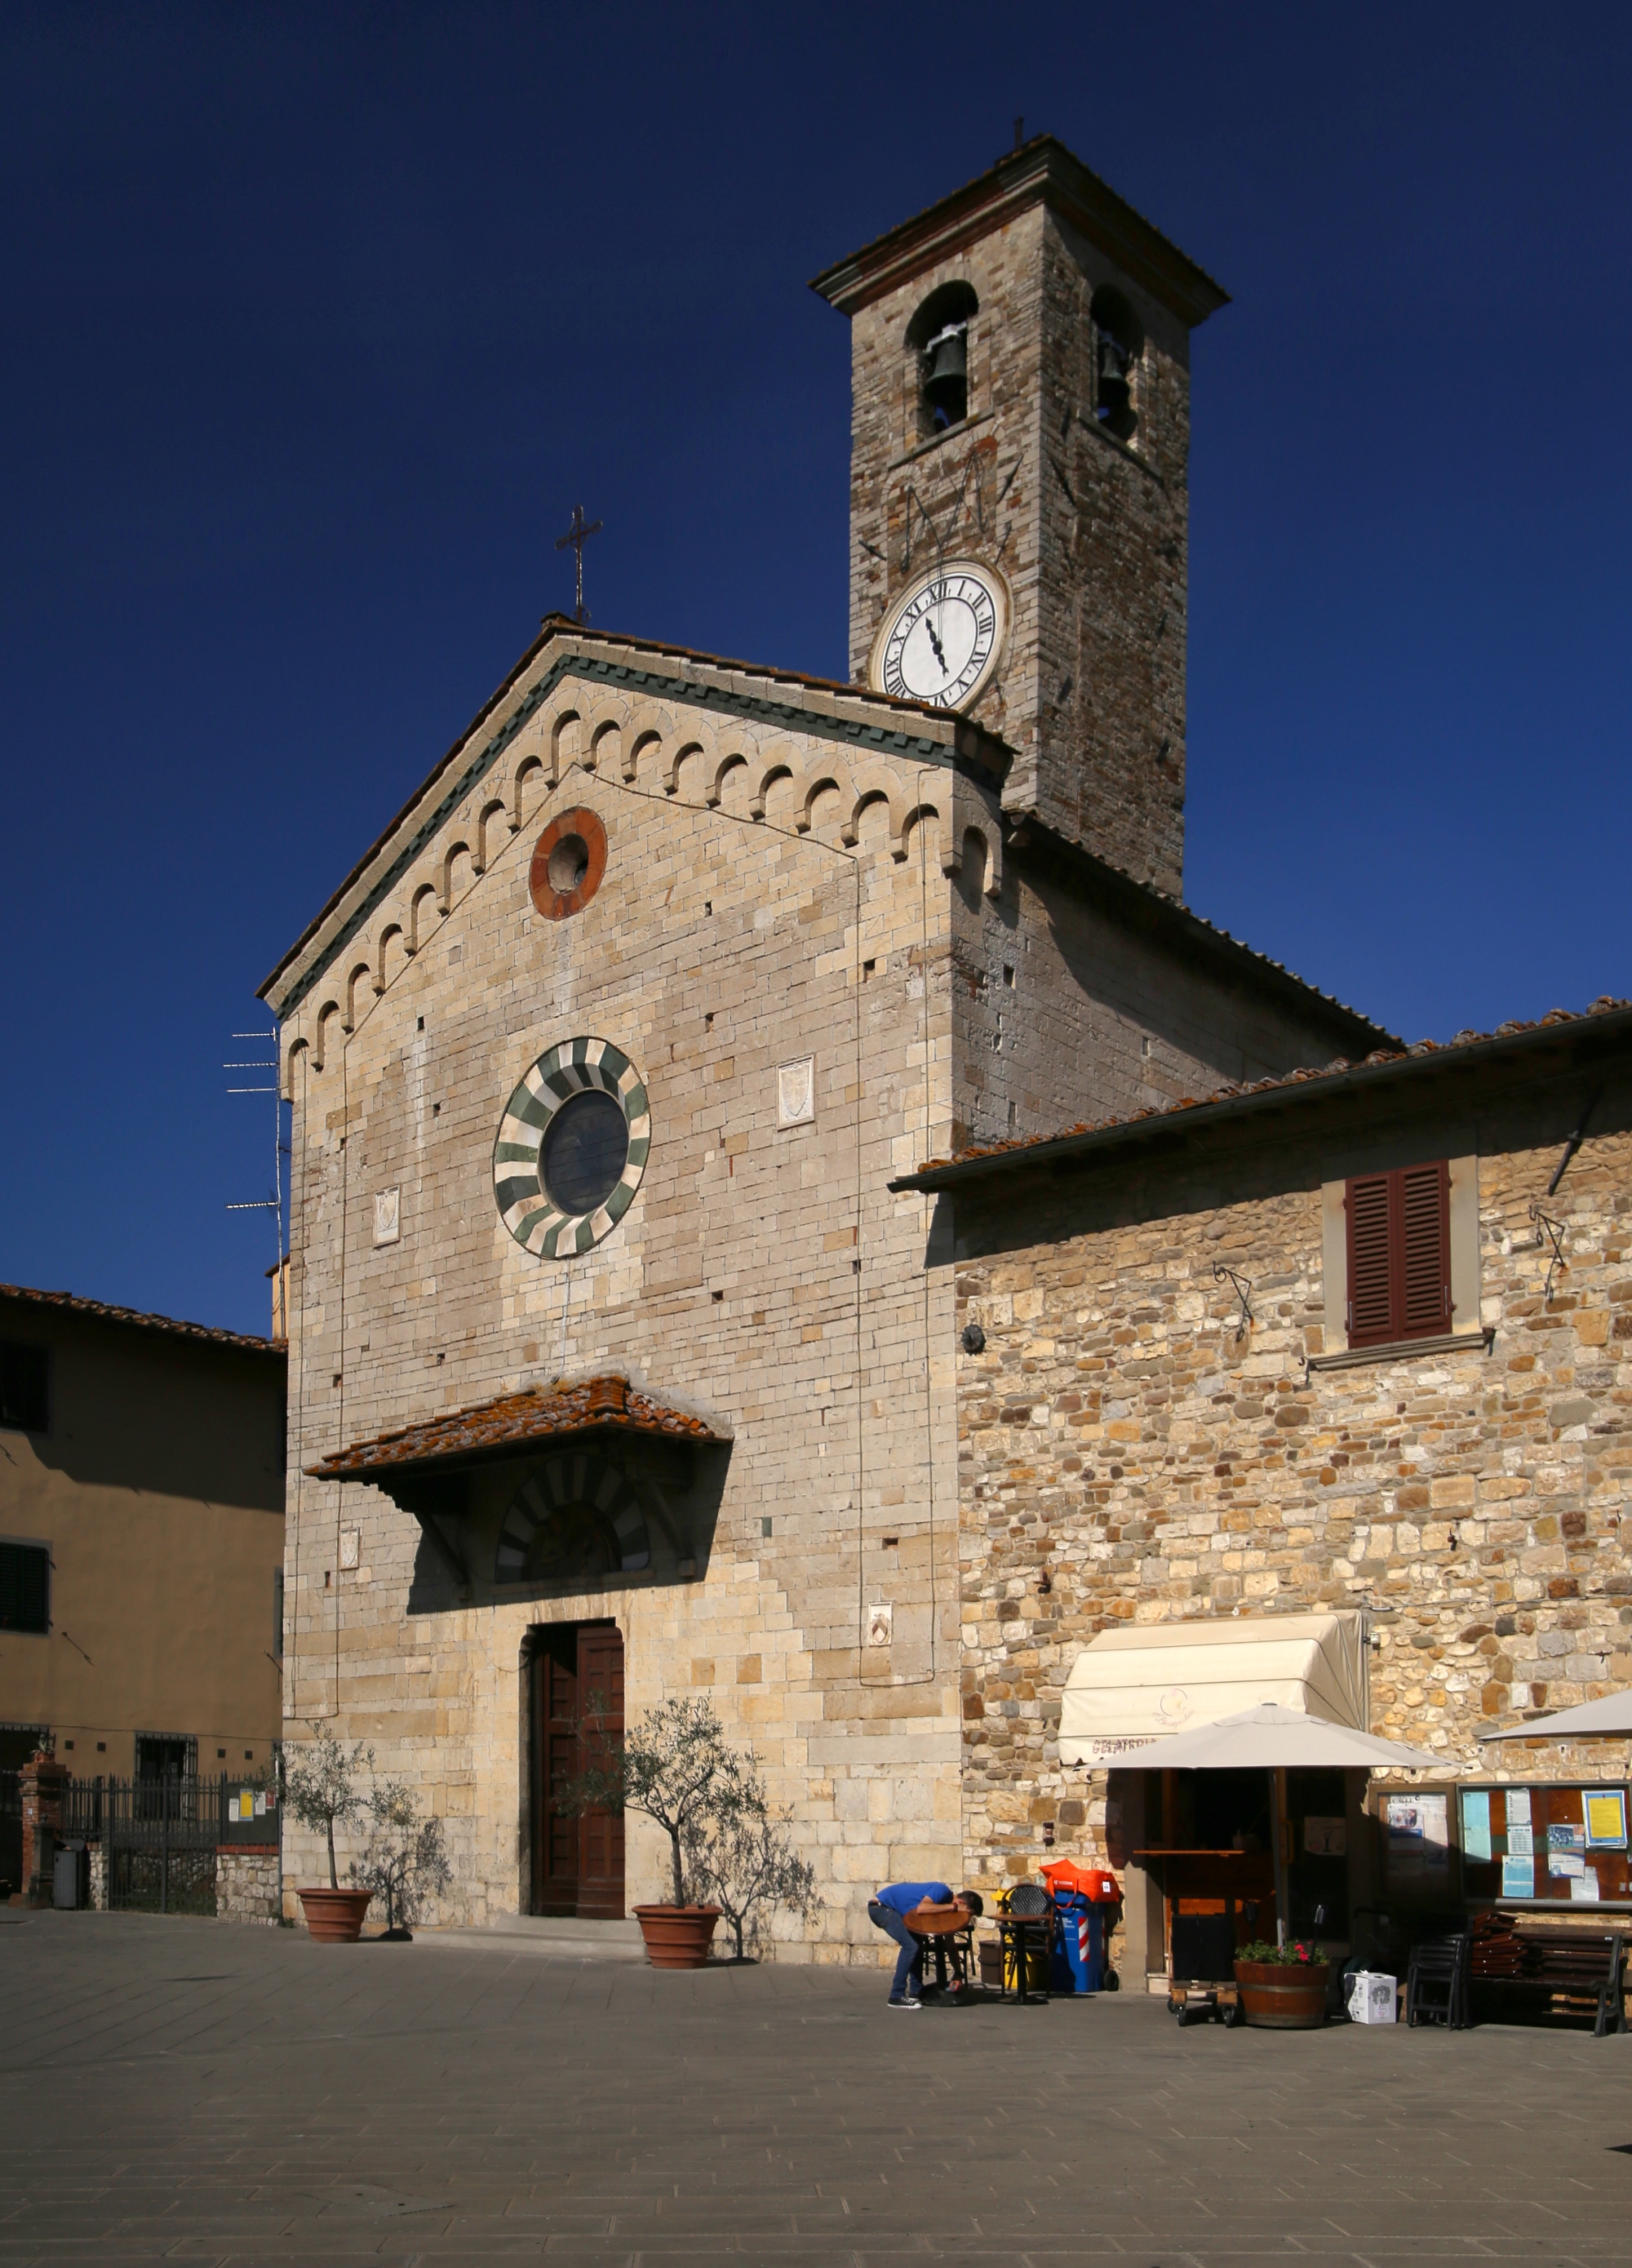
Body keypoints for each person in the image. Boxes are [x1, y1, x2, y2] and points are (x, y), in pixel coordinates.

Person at [868, 1878, 953, 2008]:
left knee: (918, 1943)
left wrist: (958, 1973)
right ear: (961, 1901)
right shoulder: (943, 1890)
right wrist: (952, 1907)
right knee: (910, 1946)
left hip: (890, 1909)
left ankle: (916, 1991)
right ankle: (896, 1995)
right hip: (882, 1908)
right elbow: (922, 1908)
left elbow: (948, 1938)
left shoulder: (941, 1900)